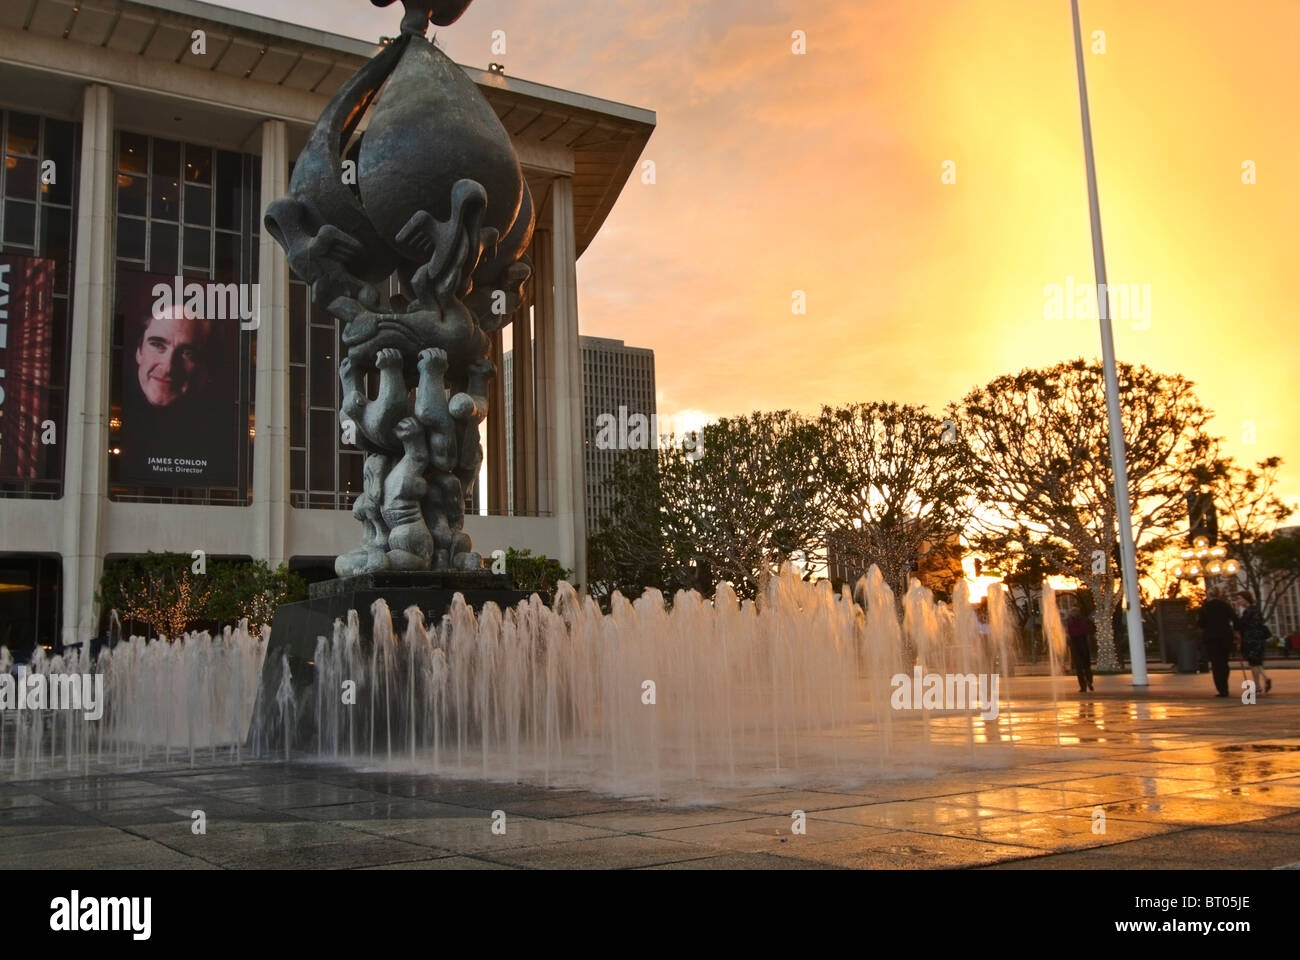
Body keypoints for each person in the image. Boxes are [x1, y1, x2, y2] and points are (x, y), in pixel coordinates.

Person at [119, 304, 236, 487]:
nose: (168, 368)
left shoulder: (224, 447)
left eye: (187, 353)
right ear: (139, 351)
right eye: (157, 345)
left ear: (209, 370)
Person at [1198, 590, 1237, 697]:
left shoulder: (1205, 607)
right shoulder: (1225, 606)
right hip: (1225, 637)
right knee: (1224, 661)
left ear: (1209, 596)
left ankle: (1222, 688)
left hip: (1211, 638)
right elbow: (1235, 618)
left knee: (1216, 663)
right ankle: (1225, 681)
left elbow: (1201, 623)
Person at [1235, 590, 1272, 696]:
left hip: (1250, 639)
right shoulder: (1256, 610)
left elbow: (1241, 625)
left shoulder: (1248, 612)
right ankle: (1265, 678)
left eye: (1239, 599)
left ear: (1245, 599)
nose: (1238, 601)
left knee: (1253, 663)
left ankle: (1257, 686)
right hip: (1258, 639)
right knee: (1257, 662)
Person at [1065, 609, 1092, 692]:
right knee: (1087, 665)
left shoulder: (1070, 624)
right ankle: (1089, 681)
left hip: (1075, 645)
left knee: (1079, 667)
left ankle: (1082, 686)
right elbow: (1087, 632)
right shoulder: (1084, 622)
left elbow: (1069, 634)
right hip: (1084, 644)